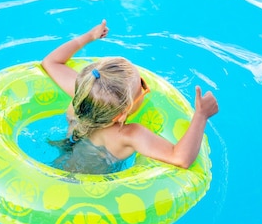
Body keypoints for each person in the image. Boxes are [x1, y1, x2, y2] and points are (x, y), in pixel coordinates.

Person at [41, 20, 219, 174]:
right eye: (142, 85)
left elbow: (50, 62)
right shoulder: (129, 134)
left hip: (58, 167)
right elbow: (181, 158)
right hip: (88, 191)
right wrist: (201, 115)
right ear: (123, 114)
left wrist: (89, 36)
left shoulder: (83, 95)